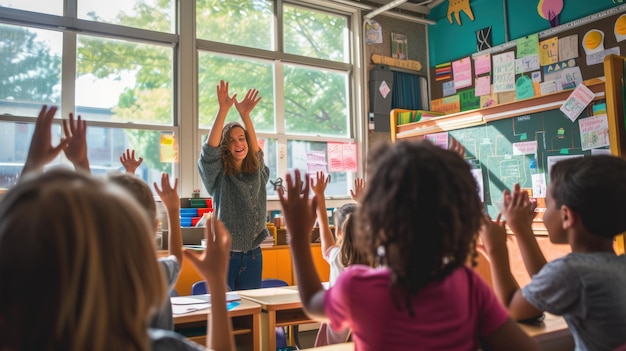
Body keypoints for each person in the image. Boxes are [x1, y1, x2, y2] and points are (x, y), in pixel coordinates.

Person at [0, 105, 234, 351]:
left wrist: (35, 166)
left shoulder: (41, 329)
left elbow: (94, 217)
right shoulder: (155, 325)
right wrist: (217, 283)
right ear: (153, 227)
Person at [278, 140, 539, 351]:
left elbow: (313, 301)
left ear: (376, 220)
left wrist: (298, 237)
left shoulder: (359, 287)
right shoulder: (467, 285)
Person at [479, 155, 626, 351]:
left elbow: (511, 308)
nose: (543, 212)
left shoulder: (572, 273)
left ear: (566, 216)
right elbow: (546, 279)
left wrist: (496, 247)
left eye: (547, 205)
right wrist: (522, 229)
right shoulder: (614, 266)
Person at [198, 80, 269, 290]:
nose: (239, 144)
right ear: (225, 147)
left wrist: (246, 116)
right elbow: (208, 154)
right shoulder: (218, 176)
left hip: (254, 254)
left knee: (251, 310)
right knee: (225, 311)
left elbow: (257, 153)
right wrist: (223, 111)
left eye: (242, 139)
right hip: (226, 255)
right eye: (232, 141)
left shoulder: (257, 172)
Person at [107, 169, 183, 331]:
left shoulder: (94, 276)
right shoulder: (154, 272)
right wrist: (173, 210)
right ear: (155, 228)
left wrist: (81, 163)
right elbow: (177, 260)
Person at [310, 172, 368, 346]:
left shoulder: (337, 257)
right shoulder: (375, 258)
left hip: (338, 334)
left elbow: (323, 225)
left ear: (339, 232)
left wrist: (319, 195)